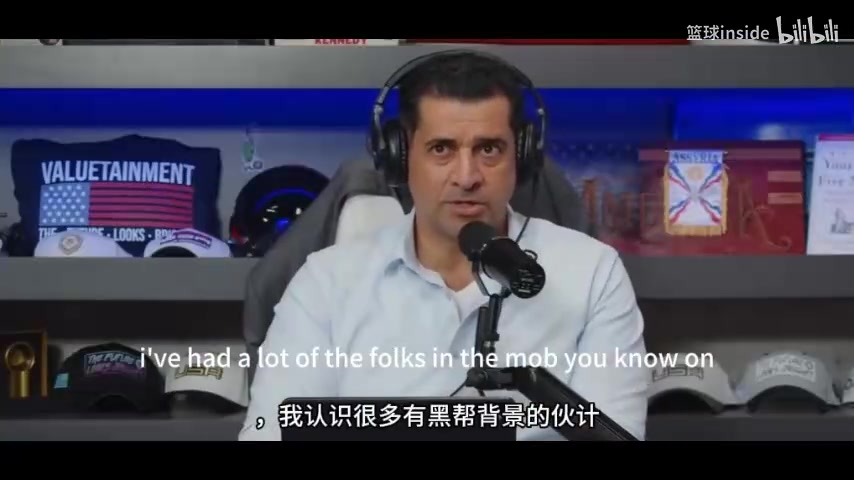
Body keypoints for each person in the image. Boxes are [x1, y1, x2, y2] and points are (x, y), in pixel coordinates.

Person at [238, 50, 649, 441]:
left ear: (522, 157)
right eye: (442, 149)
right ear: (400, 158)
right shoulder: (325, 282)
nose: (467, 177)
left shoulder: (592, 274)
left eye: (489, 149)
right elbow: (270, 432)